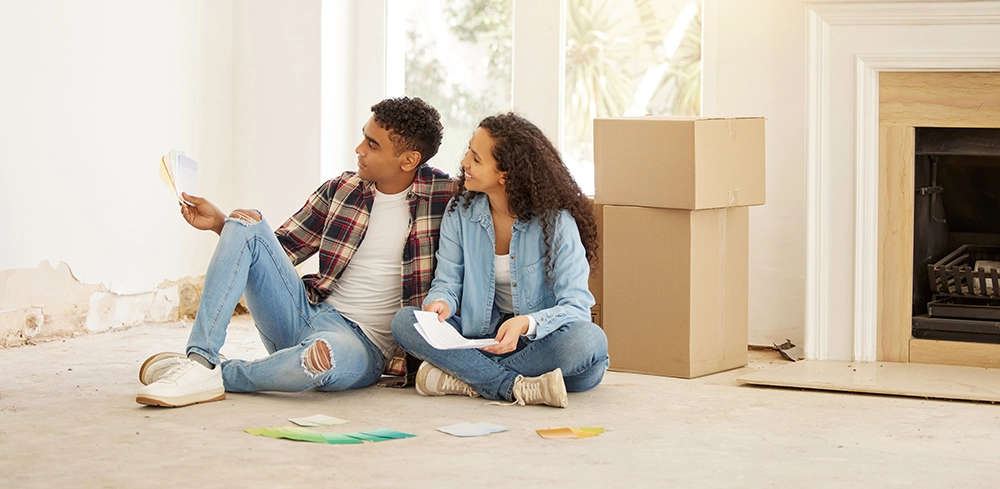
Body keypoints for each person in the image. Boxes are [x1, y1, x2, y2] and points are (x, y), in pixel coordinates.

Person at [136, 97, 453, 407]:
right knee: (245, 220)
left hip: (361, 346)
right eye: (363, 138)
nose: (359, 149)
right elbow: (275, 251)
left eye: (372, 145)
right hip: (305, 311)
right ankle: (201, 359)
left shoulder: (445, 198)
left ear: (409, 160)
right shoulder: (341, 190)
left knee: (320, 360)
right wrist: (222, 224)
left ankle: (217, 374)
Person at [390, 112, 609, 408]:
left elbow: (577, 307)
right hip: (482, 340)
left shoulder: (557, 223)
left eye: (476, 159)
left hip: (542, 346)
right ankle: (510, 386)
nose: (465, 162)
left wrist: (527, 324)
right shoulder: (461, 212)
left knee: (588, 342)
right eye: (469, 150)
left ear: (505, 175)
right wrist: (441, 302)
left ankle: (467, 378)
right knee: (406, 322)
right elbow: (448, 282)